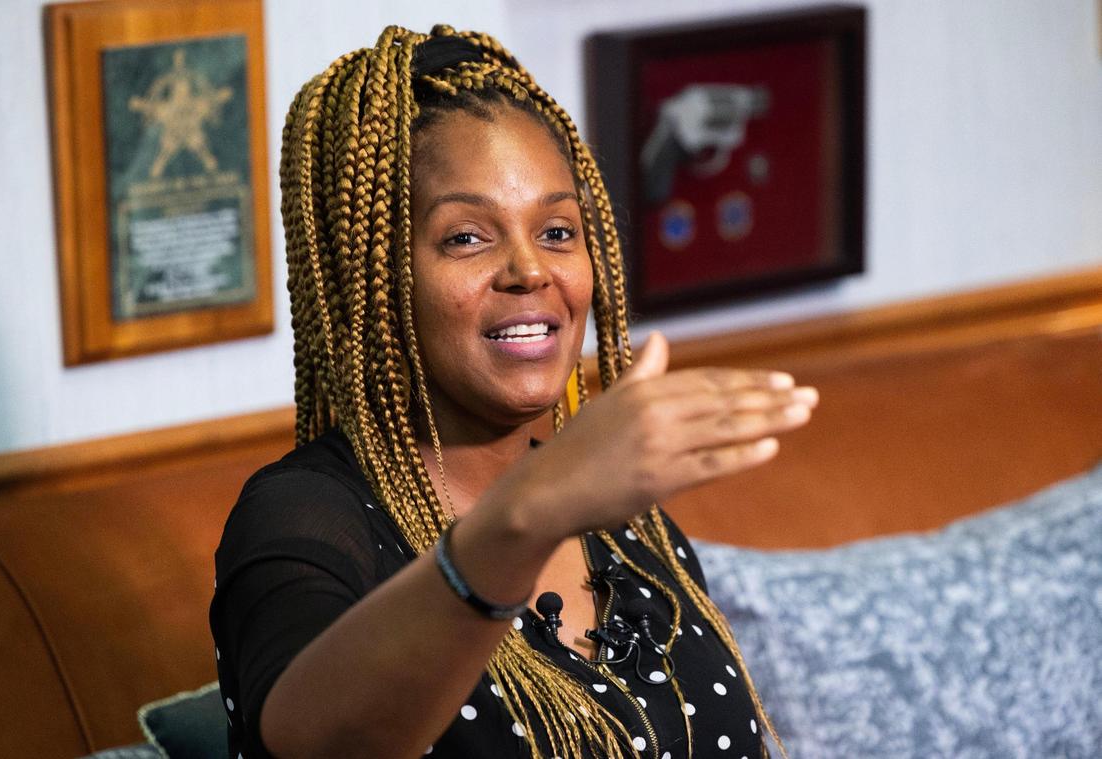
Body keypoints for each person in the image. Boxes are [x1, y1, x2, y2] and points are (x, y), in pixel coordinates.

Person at [210, 24, 818, 759]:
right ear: (372, 279)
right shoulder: (302, 515)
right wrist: (527, 516)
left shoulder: (628, 518)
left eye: (559, 230)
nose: (531, 270)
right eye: (466, 237)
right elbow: (314, 744)